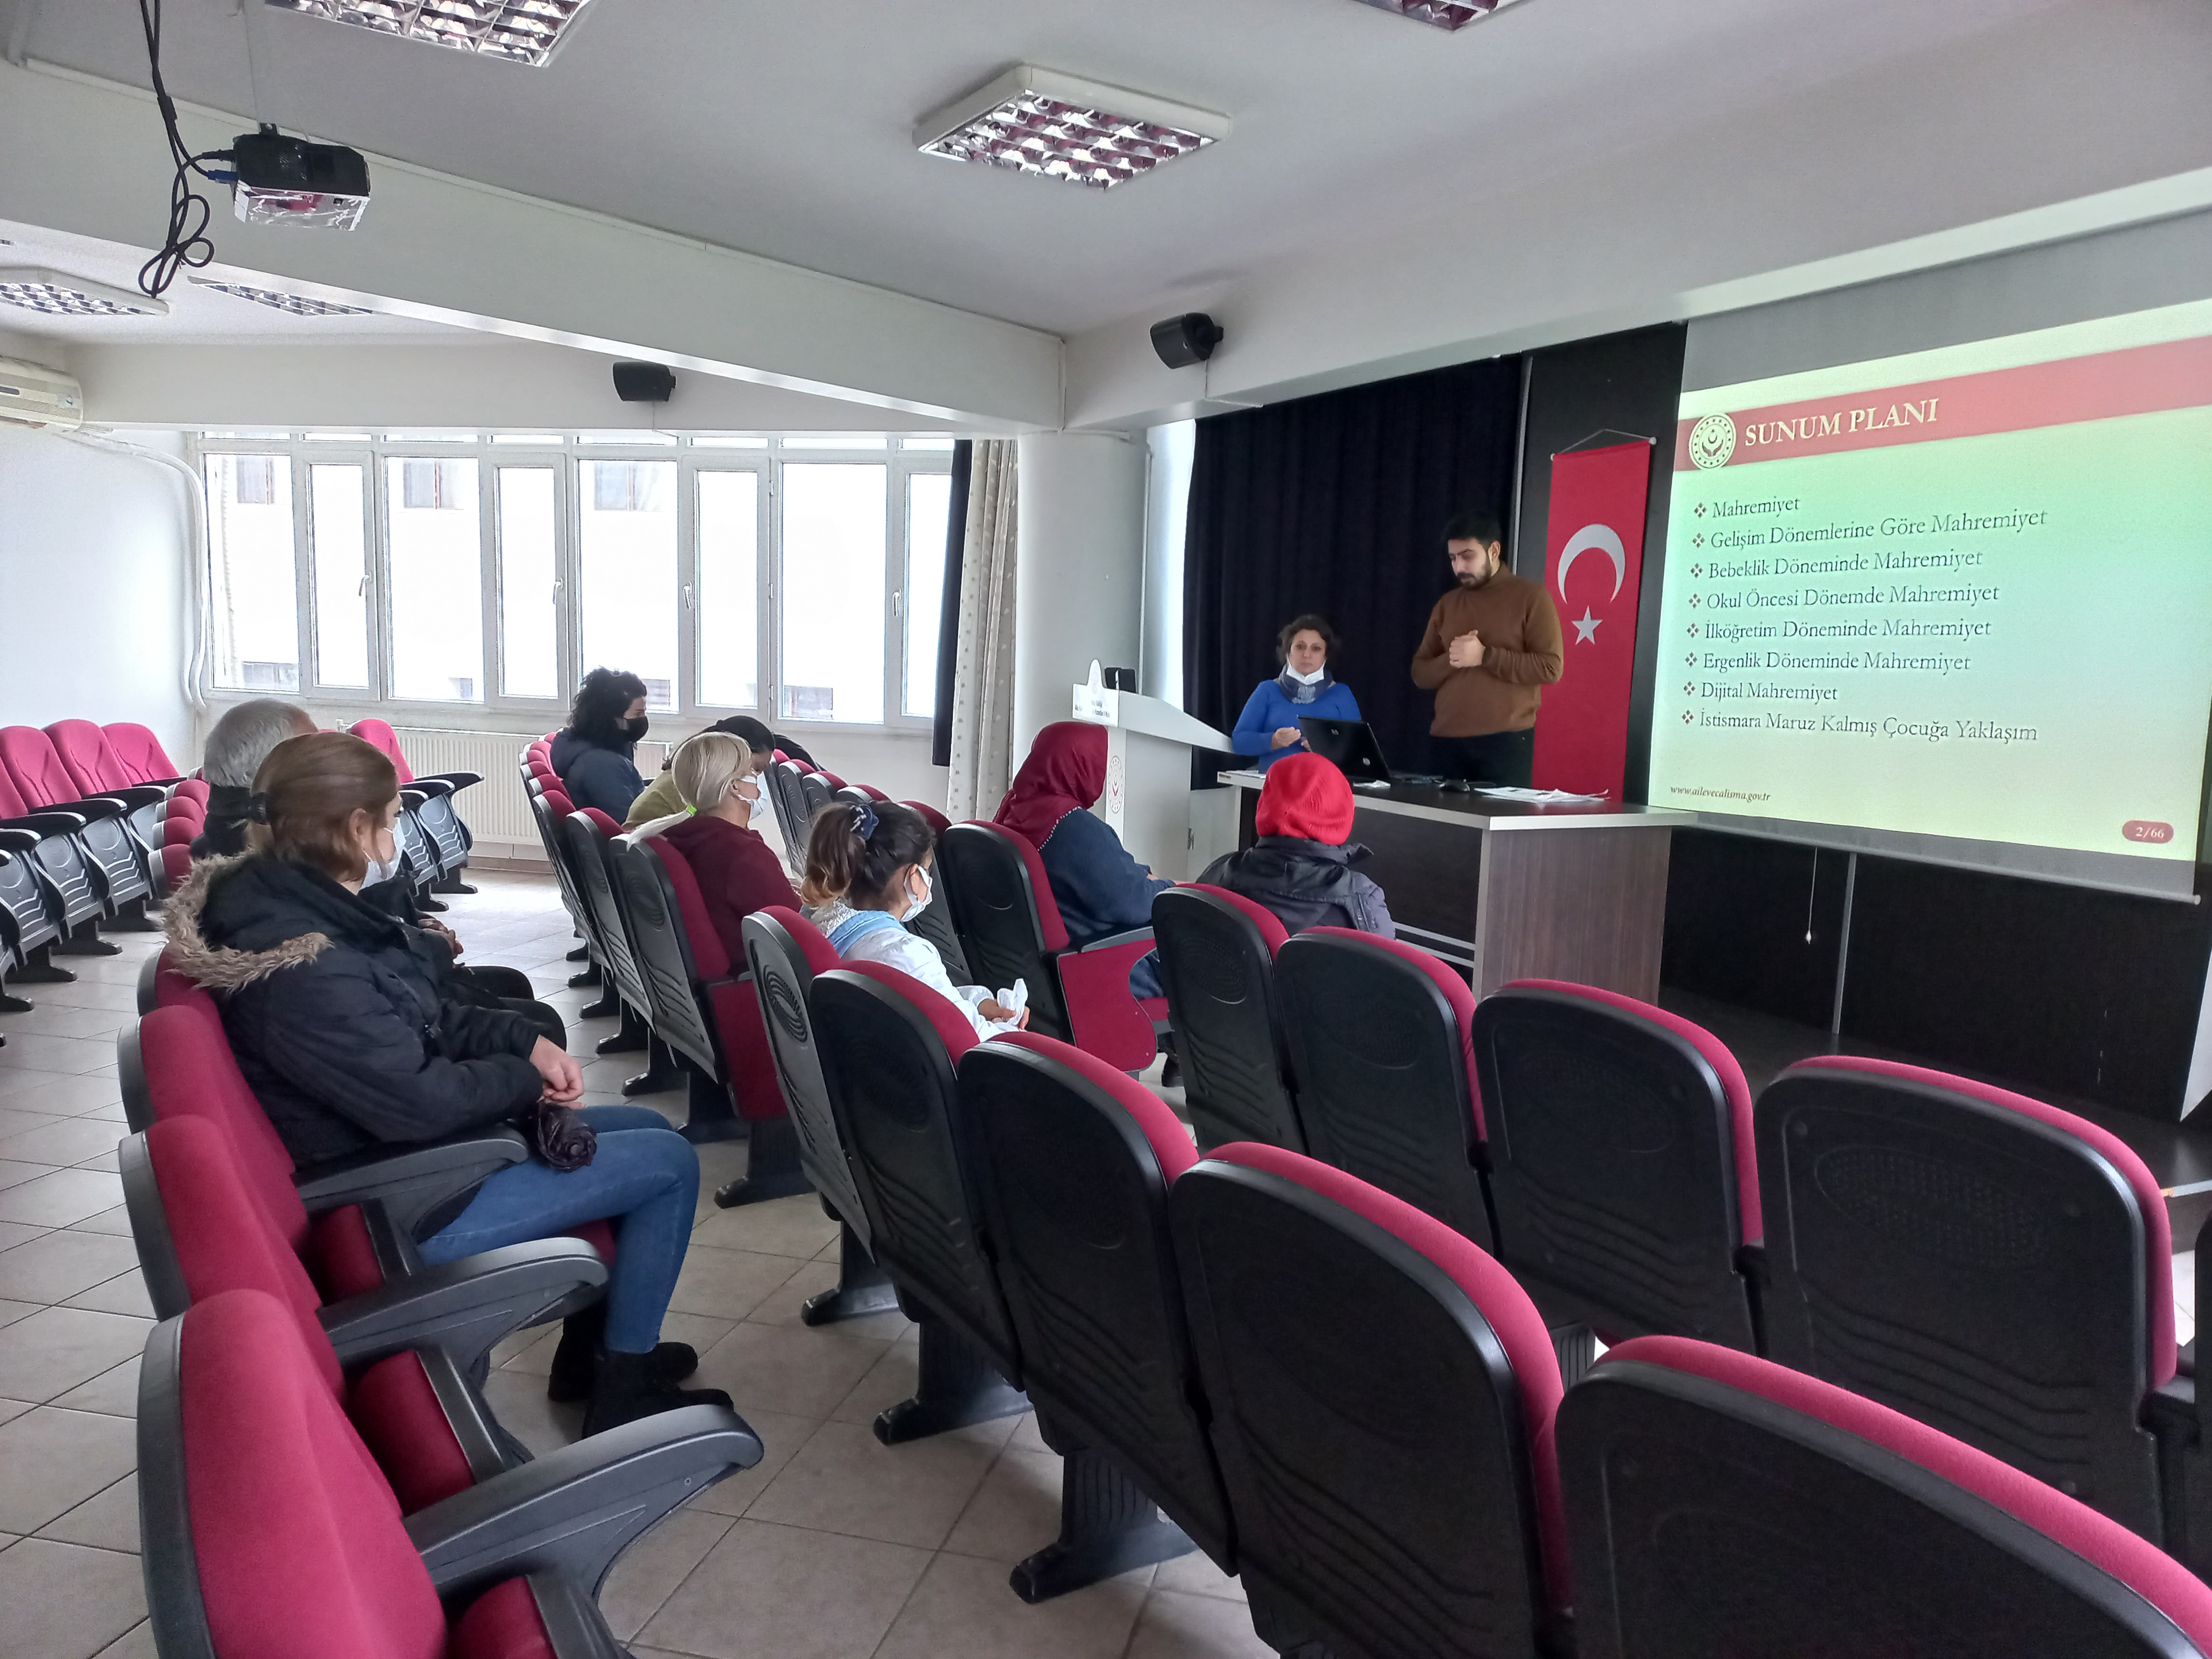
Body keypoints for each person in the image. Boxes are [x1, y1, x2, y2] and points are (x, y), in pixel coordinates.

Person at [163, 730, 728, 1435]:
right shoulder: (305, 969)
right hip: (399, 1200)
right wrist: (522, 1079)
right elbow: (422, 1104)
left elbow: (418, 1015)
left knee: (641, 1129)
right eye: (394, 817)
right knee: (669, 1161)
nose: (398, 835)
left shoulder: (293, 909)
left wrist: (524, 1040)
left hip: (398, 1165)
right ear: (355, 828)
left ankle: (592, 1356)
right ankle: (622, 1384)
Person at [802, 798, 1028, 1044]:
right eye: (927, 871)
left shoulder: (819, 916)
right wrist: (1014, 1032)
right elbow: (972, 1039)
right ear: (913, 876)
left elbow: (925, 999)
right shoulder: (906, 953)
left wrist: (979, 1002)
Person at [994, 720, 1171, 999]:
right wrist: (1171, 887)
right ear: (1082, 764)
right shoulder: (1071, 826)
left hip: (1037, 967)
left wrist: (1142, 875)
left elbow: (1103, 875)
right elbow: (1133, 903)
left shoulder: (1016, 806)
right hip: (1102, 964)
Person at [1410, 509, 1564, 785]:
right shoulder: (1447, 604)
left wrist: (1485, 656)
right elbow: (1420, 673)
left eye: (1468, 556)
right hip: (1447, 742)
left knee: (1502, 827)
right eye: (1453, 558)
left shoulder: (1532, 597)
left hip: (1505, 743)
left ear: (1494, 550)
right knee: (1443, 829)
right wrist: (1453, 659)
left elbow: (1551, 668)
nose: (1459, 567)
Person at [1197, 752, 1394, 938]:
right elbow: (1385, 968)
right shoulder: (1361, 896)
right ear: (1342, 811)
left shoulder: (1218, 871)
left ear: (1265, 803)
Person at [652, 732, 801, 963]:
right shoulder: (743, 853)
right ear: (735, 786)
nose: (758, 780)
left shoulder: (682, 834)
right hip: (761, 979)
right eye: (754, 772)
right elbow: (796, 929)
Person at [1229, 614, 1363, 773]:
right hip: (1274, 789)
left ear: (1325, 656)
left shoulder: (1341, 694)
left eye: (1316, 648)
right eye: (1300, 647)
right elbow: (1239, 741)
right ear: (1288, 651)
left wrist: (1326, 749)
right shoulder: (1268, 690)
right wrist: (1273, 741)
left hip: (1325, 790)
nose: (1307, 655)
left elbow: (1359, 751)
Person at [192, 698, 317, 857]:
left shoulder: (223, 829)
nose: (323, 762)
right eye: (312, 754)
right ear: (270, 767)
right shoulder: (274, 855)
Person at [551, 667, 651, 819]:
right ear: (612, 719)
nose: (643, 719)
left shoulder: (600, 744)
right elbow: (628, 821)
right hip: (627, 839)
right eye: (638, 713)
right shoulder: (601, 764)